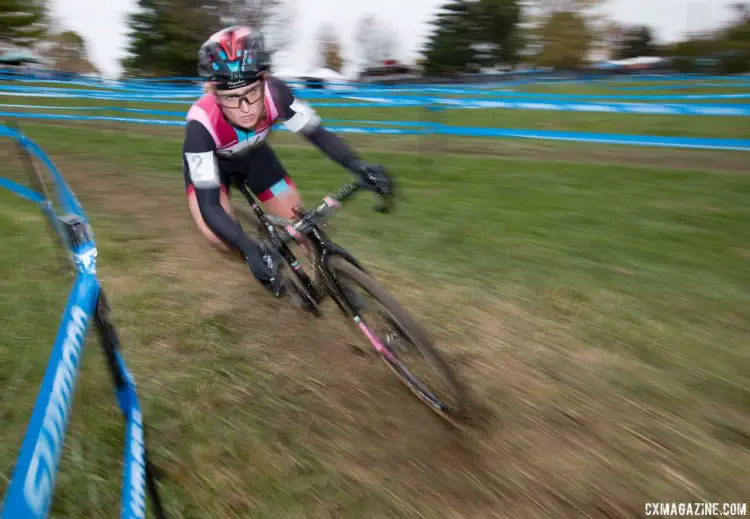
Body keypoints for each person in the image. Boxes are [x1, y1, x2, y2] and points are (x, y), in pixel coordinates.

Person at [181, 25, 394, 297]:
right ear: (213, 93)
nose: (245, 108)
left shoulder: (277, 93)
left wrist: (358, 165)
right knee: (218, 235)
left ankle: (335, 281)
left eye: (251, 93)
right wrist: (247, 249)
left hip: (255, 158)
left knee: (300, 223)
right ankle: (257, 260)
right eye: (231, 98)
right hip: (213, 169)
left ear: (264, 79)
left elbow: (317, 133)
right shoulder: (200, 127)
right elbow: (209, 205)